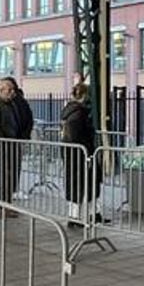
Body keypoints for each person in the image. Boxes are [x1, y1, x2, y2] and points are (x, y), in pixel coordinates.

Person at [61, 83, 102, 227]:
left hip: (71, 153)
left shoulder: (68, 111)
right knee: (88, 183)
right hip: (82, 153)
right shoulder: (81, 113)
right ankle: (84, 216)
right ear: (85, 95)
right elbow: (81, 135)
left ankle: (75, 215)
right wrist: (88, 153)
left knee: (75, 183)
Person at [0, 77, 26, 210]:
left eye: (13, 89)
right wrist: (3, 143)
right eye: (9, 90)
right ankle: (3, 205)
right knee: (5, 175)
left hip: (14, 144)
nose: (12, 92)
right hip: (4, 146)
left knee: (13, 174)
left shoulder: (11, 104)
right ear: (1, 90)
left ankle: (8, 202)